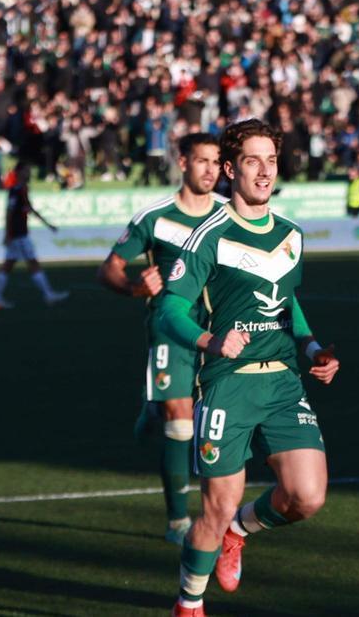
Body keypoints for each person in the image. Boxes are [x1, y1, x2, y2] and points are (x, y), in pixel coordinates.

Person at [155, 119, 340, 617]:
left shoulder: (292, 234)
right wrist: (210, 341)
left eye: (272, 160)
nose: (264, 172)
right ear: (230, 170)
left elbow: (287, 301)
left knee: (307, 496)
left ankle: (241, 531)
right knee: (214, 508)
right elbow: (169, 309)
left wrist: (313, 348)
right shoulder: (207, 237)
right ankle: (188, 604)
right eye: (253, 161)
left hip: (282, 381)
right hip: (226, 386)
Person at [97, 133, 225, 544]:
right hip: (170, 329)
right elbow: (110, 268)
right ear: (183, 162)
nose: (210, 170)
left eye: (216, 162)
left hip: (217, 332)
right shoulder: (155, 216)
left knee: (212, 423)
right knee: (181, 418)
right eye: (202, 161)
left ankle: (152, 407)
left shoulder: (229, 214)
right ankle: (177, 522)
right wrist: (135, 286)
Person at [0, 162, 69, 311]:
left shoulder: (22, 189)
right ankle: (48, 294)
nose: (28, 173)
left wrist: (48, 224)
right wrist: (8, 234)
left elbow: (30, 209)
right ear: (19, 173)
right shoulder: (16, 191)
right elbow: (9, 213)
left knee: (8, 265)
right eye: (26, 170)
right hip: (19, 235)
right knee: (32, 263)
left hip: (18, 234)